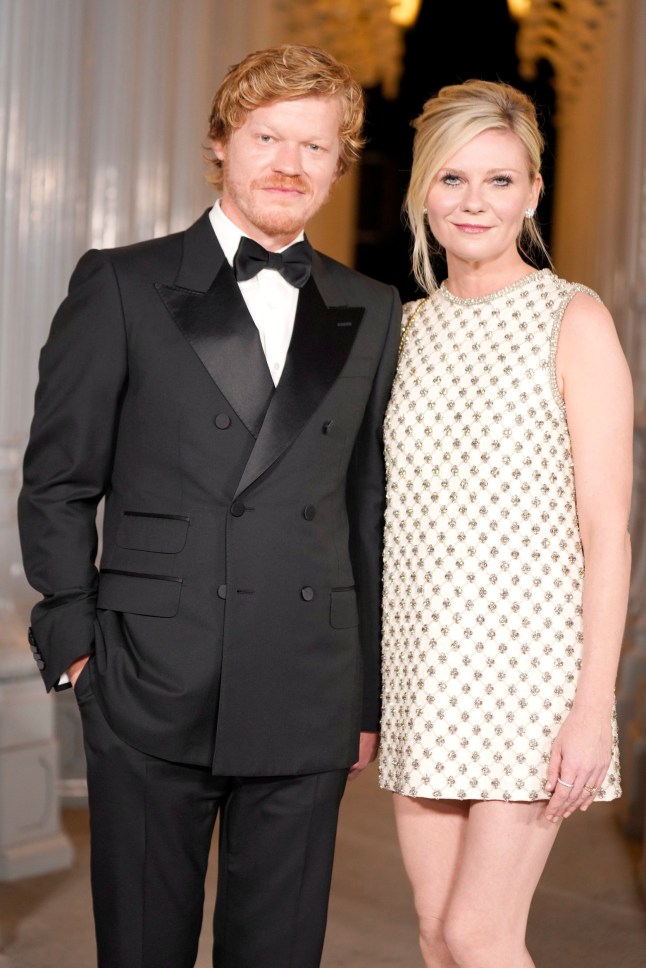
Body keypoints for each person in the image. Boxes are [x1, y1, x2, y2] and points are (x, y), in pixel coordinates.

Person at [18, 44, 401, 968]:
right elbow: (60, 480)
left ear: (338, 163)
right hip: (150, 673)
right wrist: (75, 646)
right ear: (223, 143)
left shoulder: (371, 305)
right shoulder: (122, 282)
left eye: (315, 146)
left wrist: (364, 693)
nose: (288, 164)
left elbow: (365, 506)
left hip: (306, 684)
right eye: (267, 136)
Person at [379, 79, 632, 968]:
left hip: (529, 680)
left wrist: (592, 708)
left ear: (532, 192)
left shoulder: (575, 318)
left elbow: (608, 530)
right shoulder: (400, 332)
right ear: (421, 194)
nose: (472, 201)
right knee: (437, 931)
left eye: (498, 179)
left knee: (482, 935)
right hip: (420, 668)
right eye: (451, 180)